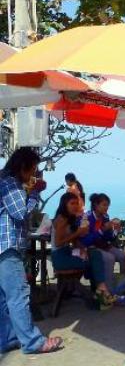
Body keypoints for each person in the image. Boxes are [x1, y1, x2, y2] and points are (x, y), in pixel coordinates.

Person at [0, 147, 63, 354]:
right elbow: (19, 213)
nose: (34, 174)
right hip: (8, 248)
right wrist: (35, 193)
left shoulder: (3, 181)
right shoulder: (11, 183)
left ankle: (8, 339)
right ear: (23, 167)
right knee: (18, 295)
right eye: (33, 169)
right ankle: (33, 342)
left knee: (4, 298)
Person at [52, 193, 115, 307]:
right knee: (93, 260)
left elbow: (74, 240)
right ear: (64, 204)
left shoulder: (71, 218)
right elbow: (58, 242)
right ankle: (99, 291)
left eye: (77, 203)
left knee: (94, 254)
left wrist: (82, 249)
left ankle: (99, 288)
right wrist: (79, 232)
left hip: (68, 252)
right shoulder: (61, 219)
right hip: (60, 257)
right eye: (72, 203)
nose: (75, 206)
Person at [82, 193, 125, 290]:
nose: (107, 208)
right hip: (91, 248)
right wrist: (103, 229)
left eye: (108, 205)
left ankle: (122, 287)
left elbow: (108, 237)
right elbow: (87, 240)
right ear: (96, 205)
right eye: (104, 205)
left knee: (122, 256)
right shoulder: (87, 218)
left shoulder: (105, 217)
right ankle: (107, 291)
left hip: (104, 246)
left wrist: (115, 231)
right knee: (110, 258)